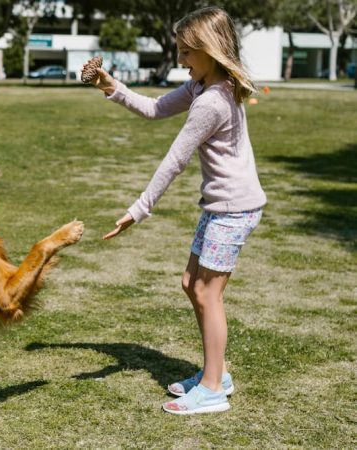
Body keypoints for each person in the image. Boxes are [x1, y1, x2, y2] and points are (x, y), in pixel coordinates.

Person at [87, 6, 266, 414]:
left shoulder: (212, 101)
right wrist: (110, 85)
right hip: (222, 206)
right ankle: (216, 372)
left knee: (207, 292)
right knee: (192, 283)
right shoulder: (203, 86)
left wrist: (138, 209)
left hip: (234, 210)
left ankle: (213, 388)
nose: (181, 60)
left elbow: (174, 160)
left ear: (210, 50)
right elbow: (153, 108)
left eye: (187, 52)